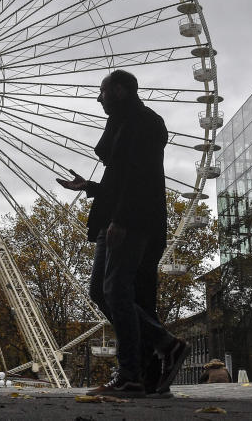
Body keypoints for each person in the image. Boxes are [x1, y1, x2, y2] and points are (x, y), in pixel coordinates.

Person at [57, 69, 190, 397]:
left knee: (116, 290)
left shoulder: (143, 123)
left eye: (102, 92)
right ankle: (162, 346)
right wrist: (90, 186)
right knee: (103, 292)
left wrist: (121, 219)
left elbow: (138, 178)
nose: (98, 99)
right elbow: (122, 180)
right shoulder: (124, 124)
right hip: (119, 217)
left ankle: (134, 372)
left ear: (118, 90)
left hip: (130, 222)